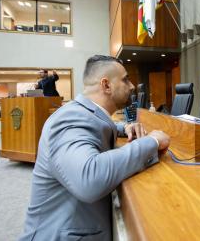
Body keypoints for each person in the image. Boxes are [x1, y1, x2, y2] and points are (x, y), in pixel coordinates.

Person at [20, 55, 170, 241]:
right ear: (106, 85)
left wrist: (125, 127)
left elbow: (98, 126)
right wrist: (152, 142)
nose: (131, 86)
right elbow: (89, 178)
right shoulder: (70, 119)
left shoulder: (82, 112)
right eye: (125, 79)